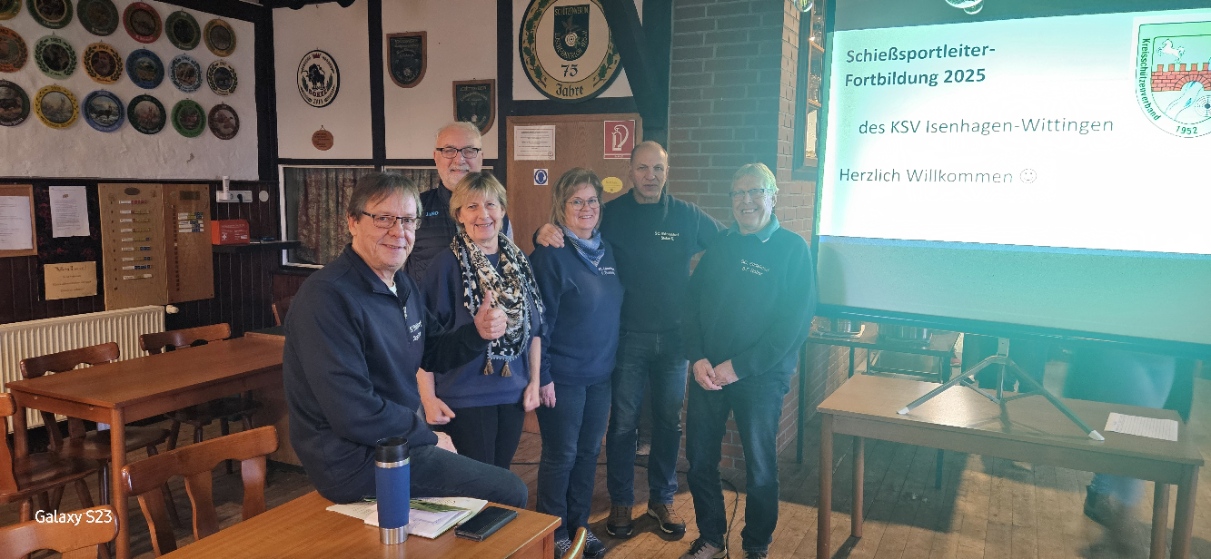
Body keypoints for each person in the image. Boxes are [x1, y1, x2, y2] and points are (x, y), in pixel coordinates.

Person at [282, 172, 527, 508]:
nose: (399, 232)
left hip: (396, 441)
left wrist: (477, 332)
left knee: (500, 485)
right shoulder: (326, 298)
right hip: (351, 463)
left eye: (409, 220)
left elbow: (434, 352)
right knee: (509, 490)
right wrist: (427, 436)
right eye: (384, 219)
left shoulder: (402, 285)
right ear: (352, 222)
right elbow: (354, 413)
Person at [536, 140, 723, 539]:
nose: (650, 176)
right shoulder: (613, 215)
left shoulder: (687, 215)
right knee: (622, 425)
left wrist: (704, 297)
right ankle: (621, 500)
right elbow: (574, 231)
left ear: (667, 172)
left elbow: (726, 245)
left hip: (674, 342)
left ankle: (661, 499)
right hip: (626, 341)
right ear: (630, 171)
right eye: (642, 168)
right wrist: (542, 231)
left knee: (669, 423)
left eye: (658, 168)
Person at [680, 163, 817, 559]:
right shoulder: (722, 244)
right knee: (700, 462)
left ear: (773, 197)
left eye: (755, 191)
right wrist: (697, 357)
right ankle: (711, 539)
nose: (746, 201)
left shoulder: (793, 249)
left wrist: (738, 367)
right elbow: (691, 304)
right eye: (738, 193)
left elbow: (793, 326)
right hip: (708, 374)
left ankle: (756, 544)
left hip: (760, 377)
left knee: (759, 469)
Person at [418, 170, 550, 469]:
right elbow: (423, 339)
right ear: (459, 215)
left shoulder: (519, 262)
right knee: (477, 486)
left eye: (491, 204)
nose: (483, 214)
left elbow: (535, 329)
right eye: (472, 206)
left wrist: (534, 382)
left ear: (502, 211)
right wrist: (427, 399)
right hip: (464, 397)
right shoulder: (445, 265)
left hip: (513, 394)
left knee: (500, 477)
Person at [530, 169, 624, 559]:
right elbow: (539, 323)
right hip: (563, 377)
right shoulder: (550, 254)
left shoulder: (606, 250)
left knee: (587, 455)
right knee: (561, 456)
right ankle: (553, 534)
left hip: (600, 375)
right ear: (561, 206)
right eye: (576, 201)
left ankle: (579, 527)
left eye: (592, 200)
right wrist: (543, 376)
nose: (586, 208)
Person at [1065, 346, 1184, 554]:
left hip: (1168, 353)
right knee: (1137, 434)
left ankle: (1102, 497)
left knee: (1133, 431)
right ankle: (1124, 519)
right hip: (1128, 347)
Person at [406, 121, 512, 281]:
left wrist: (540, 237)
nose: (459, 159)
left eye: (469, 150)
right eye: (449, 150)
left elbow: (510, 268)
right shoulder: (414, 208)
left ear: (481, 157)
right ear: (435, 157)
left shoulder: (497, 214)